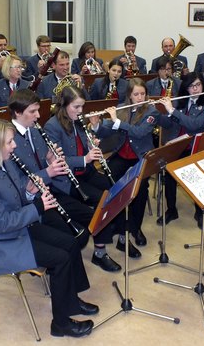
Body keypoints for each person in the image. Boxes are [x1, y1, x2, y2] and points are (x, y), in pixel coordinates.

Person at [0, 118, 97, 338]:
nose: (14, 145)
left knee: (71, 241)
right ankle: (60, 324)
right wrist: (37, 207)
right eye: (9, 142)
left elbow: (18, 193)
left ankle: (71, 300)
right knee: (60, 258)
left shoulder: (4, 162)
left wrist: (29, 192)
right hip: (2, 244)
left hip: (18, 229)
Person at [44, 86, 122, 272]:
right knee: (101, 201)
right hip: (66, 180)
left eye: (82, 107)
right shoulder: (51, 126)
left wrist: (91, 144)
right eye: (76, 107)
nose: (80, 111)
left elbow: (82, 145)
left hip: (85, 172)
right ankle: (99, 253)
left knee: (114, 189)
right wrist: (85, 159)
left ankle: (115, 231)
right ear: (64, 105)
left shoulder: (76, 121)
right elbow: (57, 160)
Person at [100, 78, 159, 247]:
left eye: (143, 94)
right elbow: (107, 130)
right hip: (121, 155)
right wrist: (97, 125)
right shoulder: (120, 108)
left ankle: (136, 228)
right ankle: (115, 225)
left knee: (140, 192)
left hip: (140, 157)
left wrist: (117, 121)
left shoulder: (152, 112)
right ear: (129, 96)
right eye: (136, 94)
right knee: (109, 184)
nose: (140, 97)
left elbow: (139, 133)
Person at [157, 72, 204, 227]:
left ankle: (200, 211)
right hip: (178, 145)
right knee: (168, 172)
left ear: (203, 85)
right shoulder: (181, 102)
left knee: (198, 175)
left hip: (196, 147)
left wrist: (172, 111)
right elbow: (169, 124)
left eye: (198, 85)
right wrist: (157, 113)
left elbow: (195, 125)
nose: (195, 89)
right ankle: (171, 210)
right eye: (191, 86)